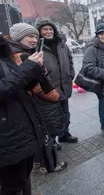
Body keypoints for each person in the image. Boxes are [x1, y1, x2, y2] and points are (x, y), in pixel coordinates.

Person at [9, 23, 67, 173]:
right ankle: (49, 165)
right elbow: (36, 84)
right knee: (46, 134)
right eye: (30, 36)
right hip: (39, 101)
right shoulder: (22, 55)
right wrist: (55, 96)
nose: (34, 40)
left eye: (35, 36)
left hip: (32, 102)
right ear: (19, 38)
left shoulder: (20, 52)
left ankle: (39, 161)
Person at [0, 35, 44, 195]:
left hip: (21, 130)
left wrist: (34, 73)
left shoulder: (5, 54)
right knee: (12, 185)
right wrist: (28, 69)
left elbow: (15, 83)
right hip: (7, 139)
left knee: (23, 177)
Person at [35, 17, 78, 144]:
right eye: (45, 29)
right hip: (49, 88)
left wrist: (70, 74)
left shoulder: (61, 45)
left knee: (65, 113)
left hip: (64, 85)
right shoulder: (37, 47)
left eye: (50, 29)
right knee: (51, 116)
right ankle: (52, 141)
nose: (48, 31)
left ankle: (64, 134)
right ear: (39, 31)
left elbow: (70, 61)